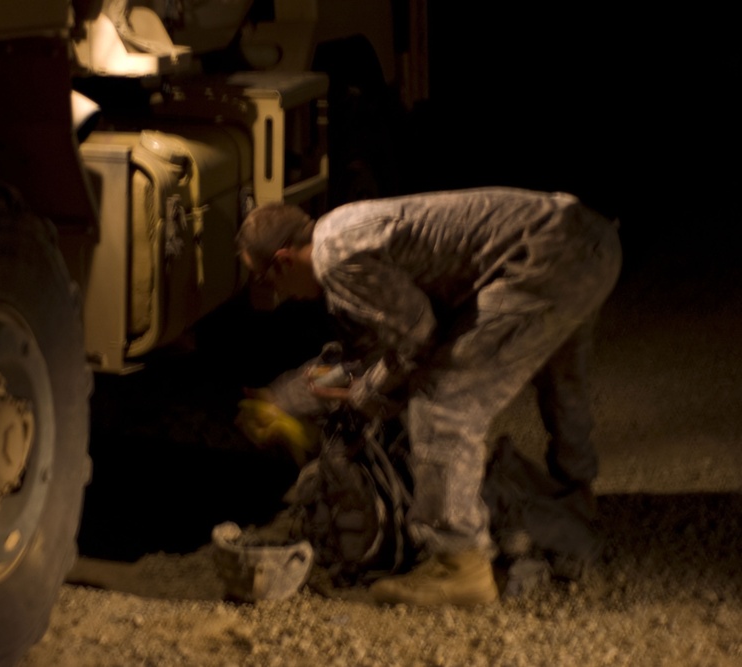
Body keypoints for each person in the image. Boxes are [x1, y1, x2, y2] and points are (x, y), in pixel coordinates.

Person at [235, 187, 622, 606]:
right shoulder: (343, 228)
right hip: (590, 240)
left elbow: (417, 339)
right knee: (562, 378)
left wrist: (365, 393)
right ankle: (573, 492)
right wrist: (285, 398)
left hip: (546, 262)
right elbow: (367, 353)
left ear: (282, 261)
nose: (280, 298)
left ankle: (459, 565)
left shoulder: (335, 260)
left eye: (264, 281)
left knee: (442, 403)